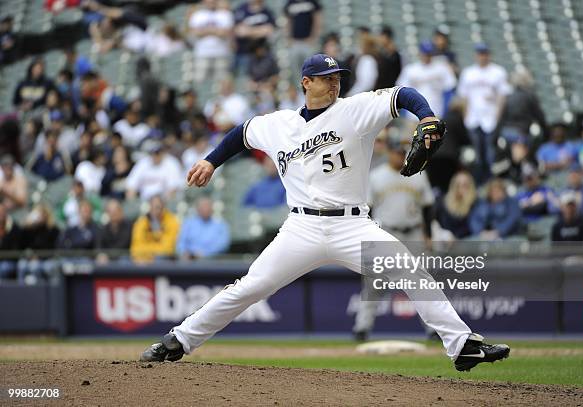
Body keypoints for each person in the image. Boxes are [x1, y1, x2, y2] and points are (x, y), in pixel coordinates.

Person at [141, 53, 510, 371]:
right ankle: (178, 340)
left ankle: (462, 346)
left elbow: (403, 95)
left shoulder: (354, 111)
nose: (335, 84)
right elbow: (241, 132)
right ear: (306, 82)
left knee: (410, 269)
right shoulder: (278, 124)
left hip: (353, 226)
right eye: (327, 79)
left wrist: (426, 116)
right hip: (300, 228)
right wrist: (210, 161)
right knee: (250, 287)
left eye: (338, 78)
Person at [352, 139, 436, 341]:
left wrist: (429, 235)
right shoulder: (376, 176)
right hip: (385, 233)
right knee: (374, 282)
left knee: (421, 282)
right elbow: (367, 210)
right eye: (396, 152)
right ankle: (362, 327)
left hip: (414, 233)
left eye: (402, 152)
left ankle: (433, 329)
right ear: (389, 152)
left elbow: (428, 206)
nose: (399, 155)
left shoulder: (417, 174)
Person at [457, 44, 511, 183]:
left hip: (490, 119)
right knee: (476, 155)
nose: (482, 56)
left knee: (490, 154)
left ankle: (491, 182)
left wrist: (497, 116)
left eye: (485, 53)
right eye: (480, 53)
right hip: (473, 119)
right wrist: (465, 117)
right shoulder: (468, 73)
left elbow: (503, 96)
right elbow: (463, 97)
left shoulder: (498, 71)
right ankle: (478, 182)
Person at [396, 41, 456, 120]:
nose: (427, 56)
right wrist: (404, 111)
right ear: (420, 53)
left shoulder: (441, 68)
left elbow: (450, 86)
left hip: (435, 112)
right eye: (425, 53)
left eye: (429, 53)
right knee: (410, 132)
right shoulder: (411, 69)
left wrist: (445, 109)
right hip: (413, 115)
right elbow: (401, 90)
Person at [186, 0, 234, 83]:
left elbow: (226, 32)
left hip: (221, 54)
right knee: (200, 82)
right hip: (202, 54)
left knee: (221, 82)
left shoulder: (225, 14)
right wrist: (215, 31)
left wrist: (205, 31)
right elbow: (194, 32)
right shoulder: (198, 15)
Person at [130, 195, 180, 263]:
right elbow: (135, 248)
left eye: (158, 207)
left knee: (161, 259)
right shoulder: (141, 222)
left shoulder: (172, 221)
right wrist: (150, 255)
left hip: (163, 260)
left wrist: (148, 254)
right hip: (143, 260)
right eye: (152, 207)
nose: (155, 211)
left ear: (163, 207)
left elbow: (168, 249)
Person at [233, 0, 276, 75]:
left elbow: (269, 30)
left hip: (262, 53)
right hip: (244, 52)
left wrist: (249, 31)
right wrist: (260, 31)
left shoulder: (267, 11)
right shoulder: (241, 9)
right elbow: (240, 31)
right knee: (244, 79)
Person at [283, 0, 322, 79]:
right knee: (295, 68)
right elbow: (288, 21)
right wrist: (288, 38)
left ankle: (310, 89)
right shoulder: (290, 3)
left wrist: (314, 37)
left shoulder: (313, 2)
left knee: (311, 68)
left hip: (308, 42)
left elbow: (317, 19)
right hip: (295, 42)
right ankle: (300, 89)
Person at [435, 170, 477, 239]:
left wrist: (467, 202)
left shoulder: (474, 202)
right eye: (458, 185)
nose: (460, 188)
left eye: (465, 185)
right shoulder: (444, 202)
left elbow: (472, 227)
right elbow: (440, 224)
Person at [96, 199, 133, 263]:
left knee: (124, 260)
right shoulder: (103, 228)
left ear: (121, 211)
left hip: (124, 258)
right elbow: (99, 246)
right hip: (107, 260)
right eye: (111, 211)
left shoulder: (129, 226)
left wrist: (108, 255)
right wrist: (101, 255)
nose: (113, 214)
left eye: (115, 211)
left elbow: (123, 245)